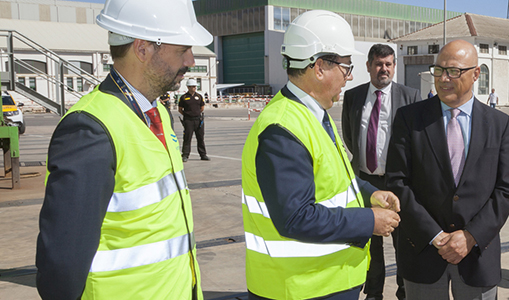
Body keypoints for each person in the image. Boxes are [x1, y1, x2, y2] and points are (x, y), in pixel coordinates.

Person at [35, 0, 211, 298]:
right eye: (183, 50)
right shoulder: (89, 129)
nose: (191, 61)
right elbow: (61, 268)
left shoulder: (158, 115)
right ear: (143, 49)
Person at [240, 10, 402, 300]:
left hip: (325, 282)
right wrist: (369, 221)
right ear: (318, 68)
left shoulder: (313, 115)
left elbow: (335, 179)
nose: (348, 78)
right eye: (345, 68)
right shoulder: (283, 129)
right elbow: (296, 217)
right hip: (300, 288)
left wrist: (369, 194)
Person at [385, 39, 509, 300]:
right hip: (423, 252)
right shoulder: (409, 118)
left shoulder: (499, 124)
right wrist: (435, 236)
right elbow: (397, 182)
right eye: (438, 70)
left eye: (453, 71)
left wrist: (471, 236)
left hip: (478, 254)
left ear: (476, 73)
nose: (444, 78)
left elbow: (506, 189)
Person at [341, 43, 421, 300]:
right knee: (370, 243)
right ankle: (373, 293)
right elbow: (350, 138)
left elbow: (416, 143)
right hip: (365, 182)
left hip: (397, 183)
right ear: (368, 66)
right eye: (378, 64)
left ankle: (404, 292)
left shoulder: (411, 97)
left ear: (394, 67)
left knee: (403, 244)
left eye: (388, 64)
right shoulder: (353, 97)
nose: (383, 69)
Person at [179, 78, 209, 162]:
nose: (194, 88)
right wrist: (188, 115)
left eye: (195, 86)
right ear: (188, 87)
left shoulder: (199, 96)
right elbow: (180, 109)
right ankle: (185, 155)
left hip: (198, 120)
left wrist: (196, 114)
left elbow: (202, 107)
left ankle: (203, 155)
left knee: (200, 138)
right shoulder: (183, 97)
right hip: (188, 121)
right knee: (187, 138)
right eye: (192, 86)